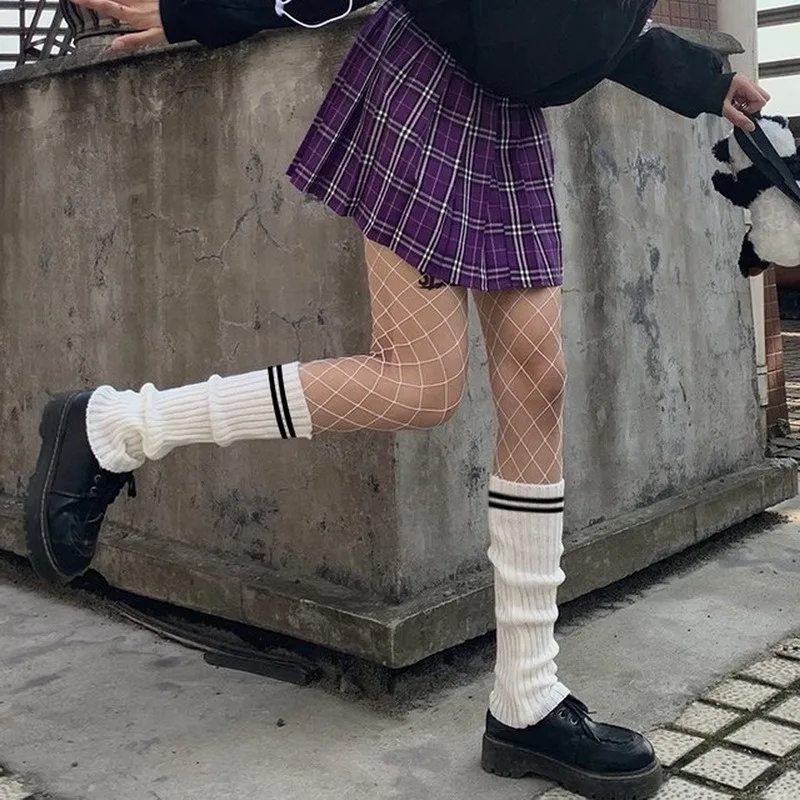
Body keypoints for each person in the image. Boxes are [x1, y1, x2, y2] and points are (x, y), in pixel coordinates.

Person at [24, 1, 769, 798]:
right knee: (419, 381)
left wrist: (702, 77)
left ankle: (527, 697)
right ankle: (119, 427)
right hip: (431, 77)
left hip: (506, 109)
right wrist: (199, 9)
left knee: (538, 381)